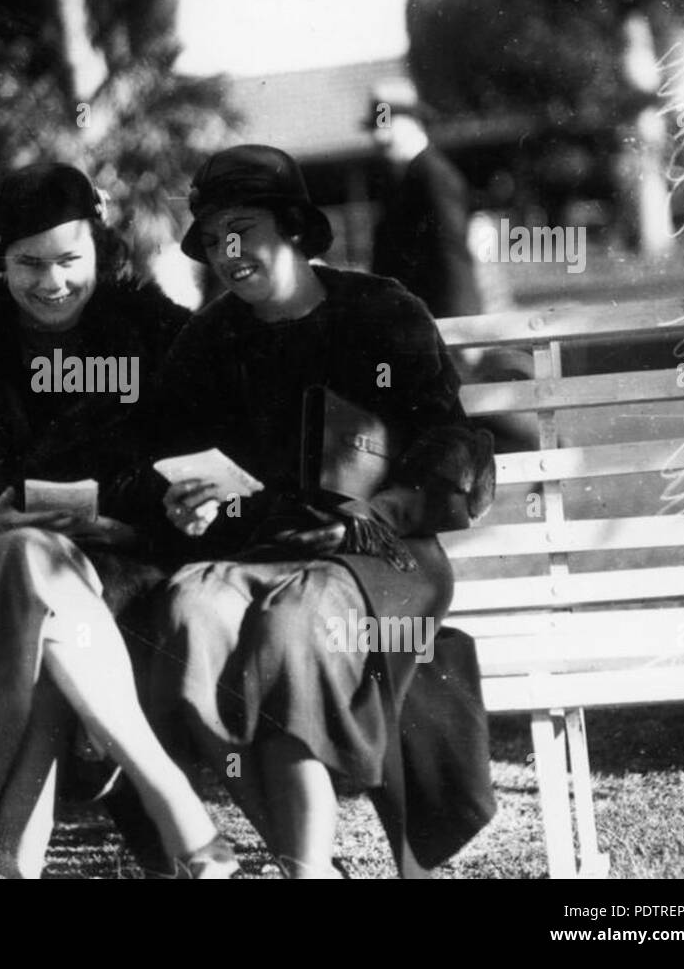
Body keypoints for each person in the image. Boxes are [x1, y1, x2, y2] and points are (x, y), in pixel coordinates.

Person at [137, 145, 496, 878]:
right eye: (212, 239)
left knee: (294, 627)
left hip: (379, 548)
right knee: (186, 615)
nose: (228, 253)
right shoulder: (205, 343)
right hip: (260, 550)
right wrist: (189, 505)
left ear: (295, 225)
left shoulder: (381, 313)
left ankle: (302, 868)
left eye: (243, 228)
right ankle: (310, 862)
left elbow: (452, 441)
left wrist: (375, 511)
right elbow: (176, 466)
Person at [0, 163, 236, 878]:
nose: (50, 283)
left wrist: (134, 526)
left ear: (101, 250)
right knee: (27, 560)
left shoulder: (158, 339)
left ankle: (20, 864)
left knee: (48, 613)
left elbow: (192, 470)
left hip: (108, 573)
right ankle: (177, 804)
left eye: (69, 260)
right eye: (28, 264)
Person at [368, 81, 483, 320]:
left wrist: (462, 326)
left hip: (442, 323)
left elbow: (452, 253)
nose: (380, 135)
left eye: (387, 123)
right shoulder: (397, 181)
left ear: (413, 123)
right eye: (375, 126)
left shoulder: (433, 176)